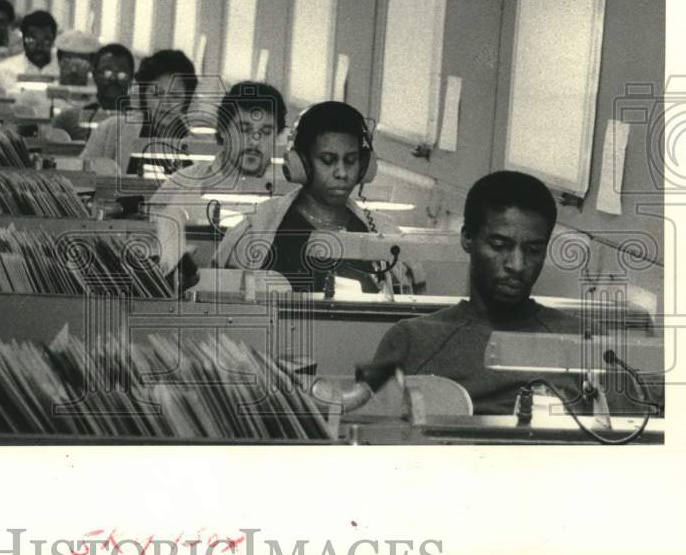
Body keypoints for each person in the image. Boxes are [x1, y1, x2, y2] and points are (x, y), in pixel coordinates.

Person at [368, 170, 586, 415]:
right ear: (468, 238)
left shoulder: (582, 341)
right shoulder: (411, 340)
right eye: (499, 246)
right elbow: (372, 437)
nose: (517, 264)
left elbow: (627, 441)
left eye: (533, 250)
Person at [215, 101, 422, 295]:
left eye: (351, 160)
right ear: (301, 163)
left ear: (364, 167)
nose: (342, 172)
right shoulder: (256, 229)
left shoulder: (385, 233)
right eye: (328, 160)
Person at [150, 80, 287, 275]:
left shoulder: (288, 193)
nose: (254, 141)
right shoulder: (181, 184)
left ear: (277, 136)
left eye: (266, 132)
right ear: (222, 130)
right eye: (244, 130)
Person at [81, 49, 196, 174]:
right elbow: (83, 180)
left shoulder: (200, 141)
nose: (165, 103)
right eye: (157, 94)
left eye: (175, 96)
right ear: (144, 95)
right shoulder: (110, 129)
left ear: (187, 100)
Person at [52, 43, 135, 142]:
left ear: (131, 78)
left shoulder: (140, 119)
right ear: (94, 75)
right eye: (106, 73)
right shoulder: (69, 119)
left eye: (122, 74)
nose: (113, 78)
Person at [0, 10, 60, 96]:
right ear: (23, 39)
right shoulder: (3, 71)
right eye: (32, 39)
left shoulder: (62, 72)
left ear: (53, 40)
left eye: (46, 40)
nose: (39, 46)